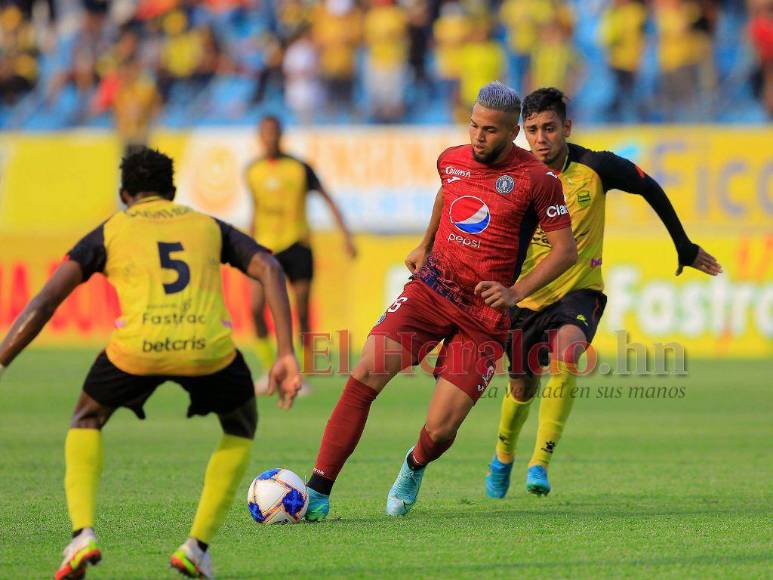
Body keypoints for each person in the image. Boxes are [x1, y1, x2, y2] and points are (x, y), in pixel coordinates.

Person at [0, 148, 301, 579]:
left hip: (137, 349)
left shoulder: (110, 230)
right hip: (207, 348)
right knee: (240, 425)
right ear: (173, 191)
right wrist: (285, 353)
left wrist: (2, 362)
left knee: (87, 417)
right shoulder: (207, 225)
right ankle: (196, 548)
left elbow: (46, 301)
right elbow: (269, 266)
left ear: (125, 195)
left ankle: (82, 536)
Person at [302, 81, 577, 521]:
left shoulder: (538, 180)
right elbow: (447, 194)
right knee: (364, 376)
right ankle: (318, 490)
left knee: (442, 426)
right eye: (473, 125)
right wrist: (424, 243)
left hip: (484, 316)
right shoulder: (450, 159)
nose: (478, 136)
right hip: (430, 290)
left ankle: (413, 465)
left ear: (513, 133)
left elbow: (566, 250)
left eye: (490, 130)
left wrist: (515, 293)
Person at [484, 87, 722, 499]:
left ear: (567, 128)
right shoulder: (514, 177)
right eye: (532, 130)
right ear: (523, 132)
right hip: (524, 298)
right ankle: (503, 455)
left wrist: (682, 244)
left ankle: (540, 462)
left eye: (550, 129)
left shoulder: (596, 167)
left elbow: (650, 188)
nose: (541, 138)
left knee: (569, 353)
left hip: (579, 292)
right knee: (521, 386)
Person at [245, 115, 356, 387]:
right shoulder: (252, 171)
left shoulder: (299, 168)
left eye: (274, 132)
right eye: (265, 133)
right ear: (260, 137)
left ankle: (303, 374)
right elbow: (255, 210)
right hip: (264, 249)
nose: (270, 138)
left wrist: (346, 236)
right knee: (256, 308)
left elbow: (328, 198)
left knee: (302, 311)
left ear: (281, 135)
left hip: (297, 245)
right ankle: (269, 366)